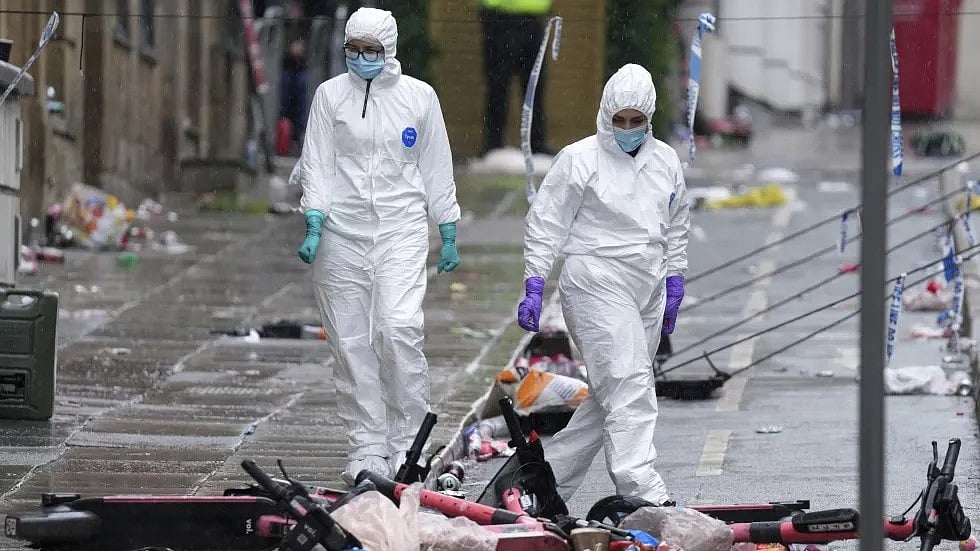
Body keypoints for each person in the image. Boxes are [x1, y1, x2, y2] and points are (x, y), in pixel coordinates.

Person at [295, 6, 462, 486]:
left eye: (372, 50)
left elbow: (436, 165)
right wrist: (314, 218)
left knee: (398, 328)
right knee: (350, 343)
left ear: (389, 50)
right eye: (355, 49)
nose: (363, 58)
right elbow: (317, 162)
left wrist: (447, 226)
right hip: (340, 233)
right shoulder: (330, 96)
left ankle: (410, 444)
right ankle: (367, 445)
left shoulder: (418, 98)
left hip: (400, 229)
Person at [516, 64, 690, 506]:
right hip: (595, 280)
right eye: (619, 120)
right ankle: (640, 489)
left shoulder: (665, 161)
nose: (627, 130)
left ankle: (544, 482)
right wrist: (535, 281)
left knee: (609, 394)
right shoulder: (579, 160)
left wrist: (674, 278)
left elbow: (676, 225)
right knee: (629, 384)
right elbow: (546, 223)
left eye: (637, 121)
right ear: (605, 114)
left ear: (649, 118)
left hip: (647, 285)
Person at [479, 0, 553, 156]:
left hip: (532, 15)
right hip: (500, 16)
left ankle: (536, 144)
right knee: (498, 86)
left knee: (533, 86)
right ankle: (494, 144)